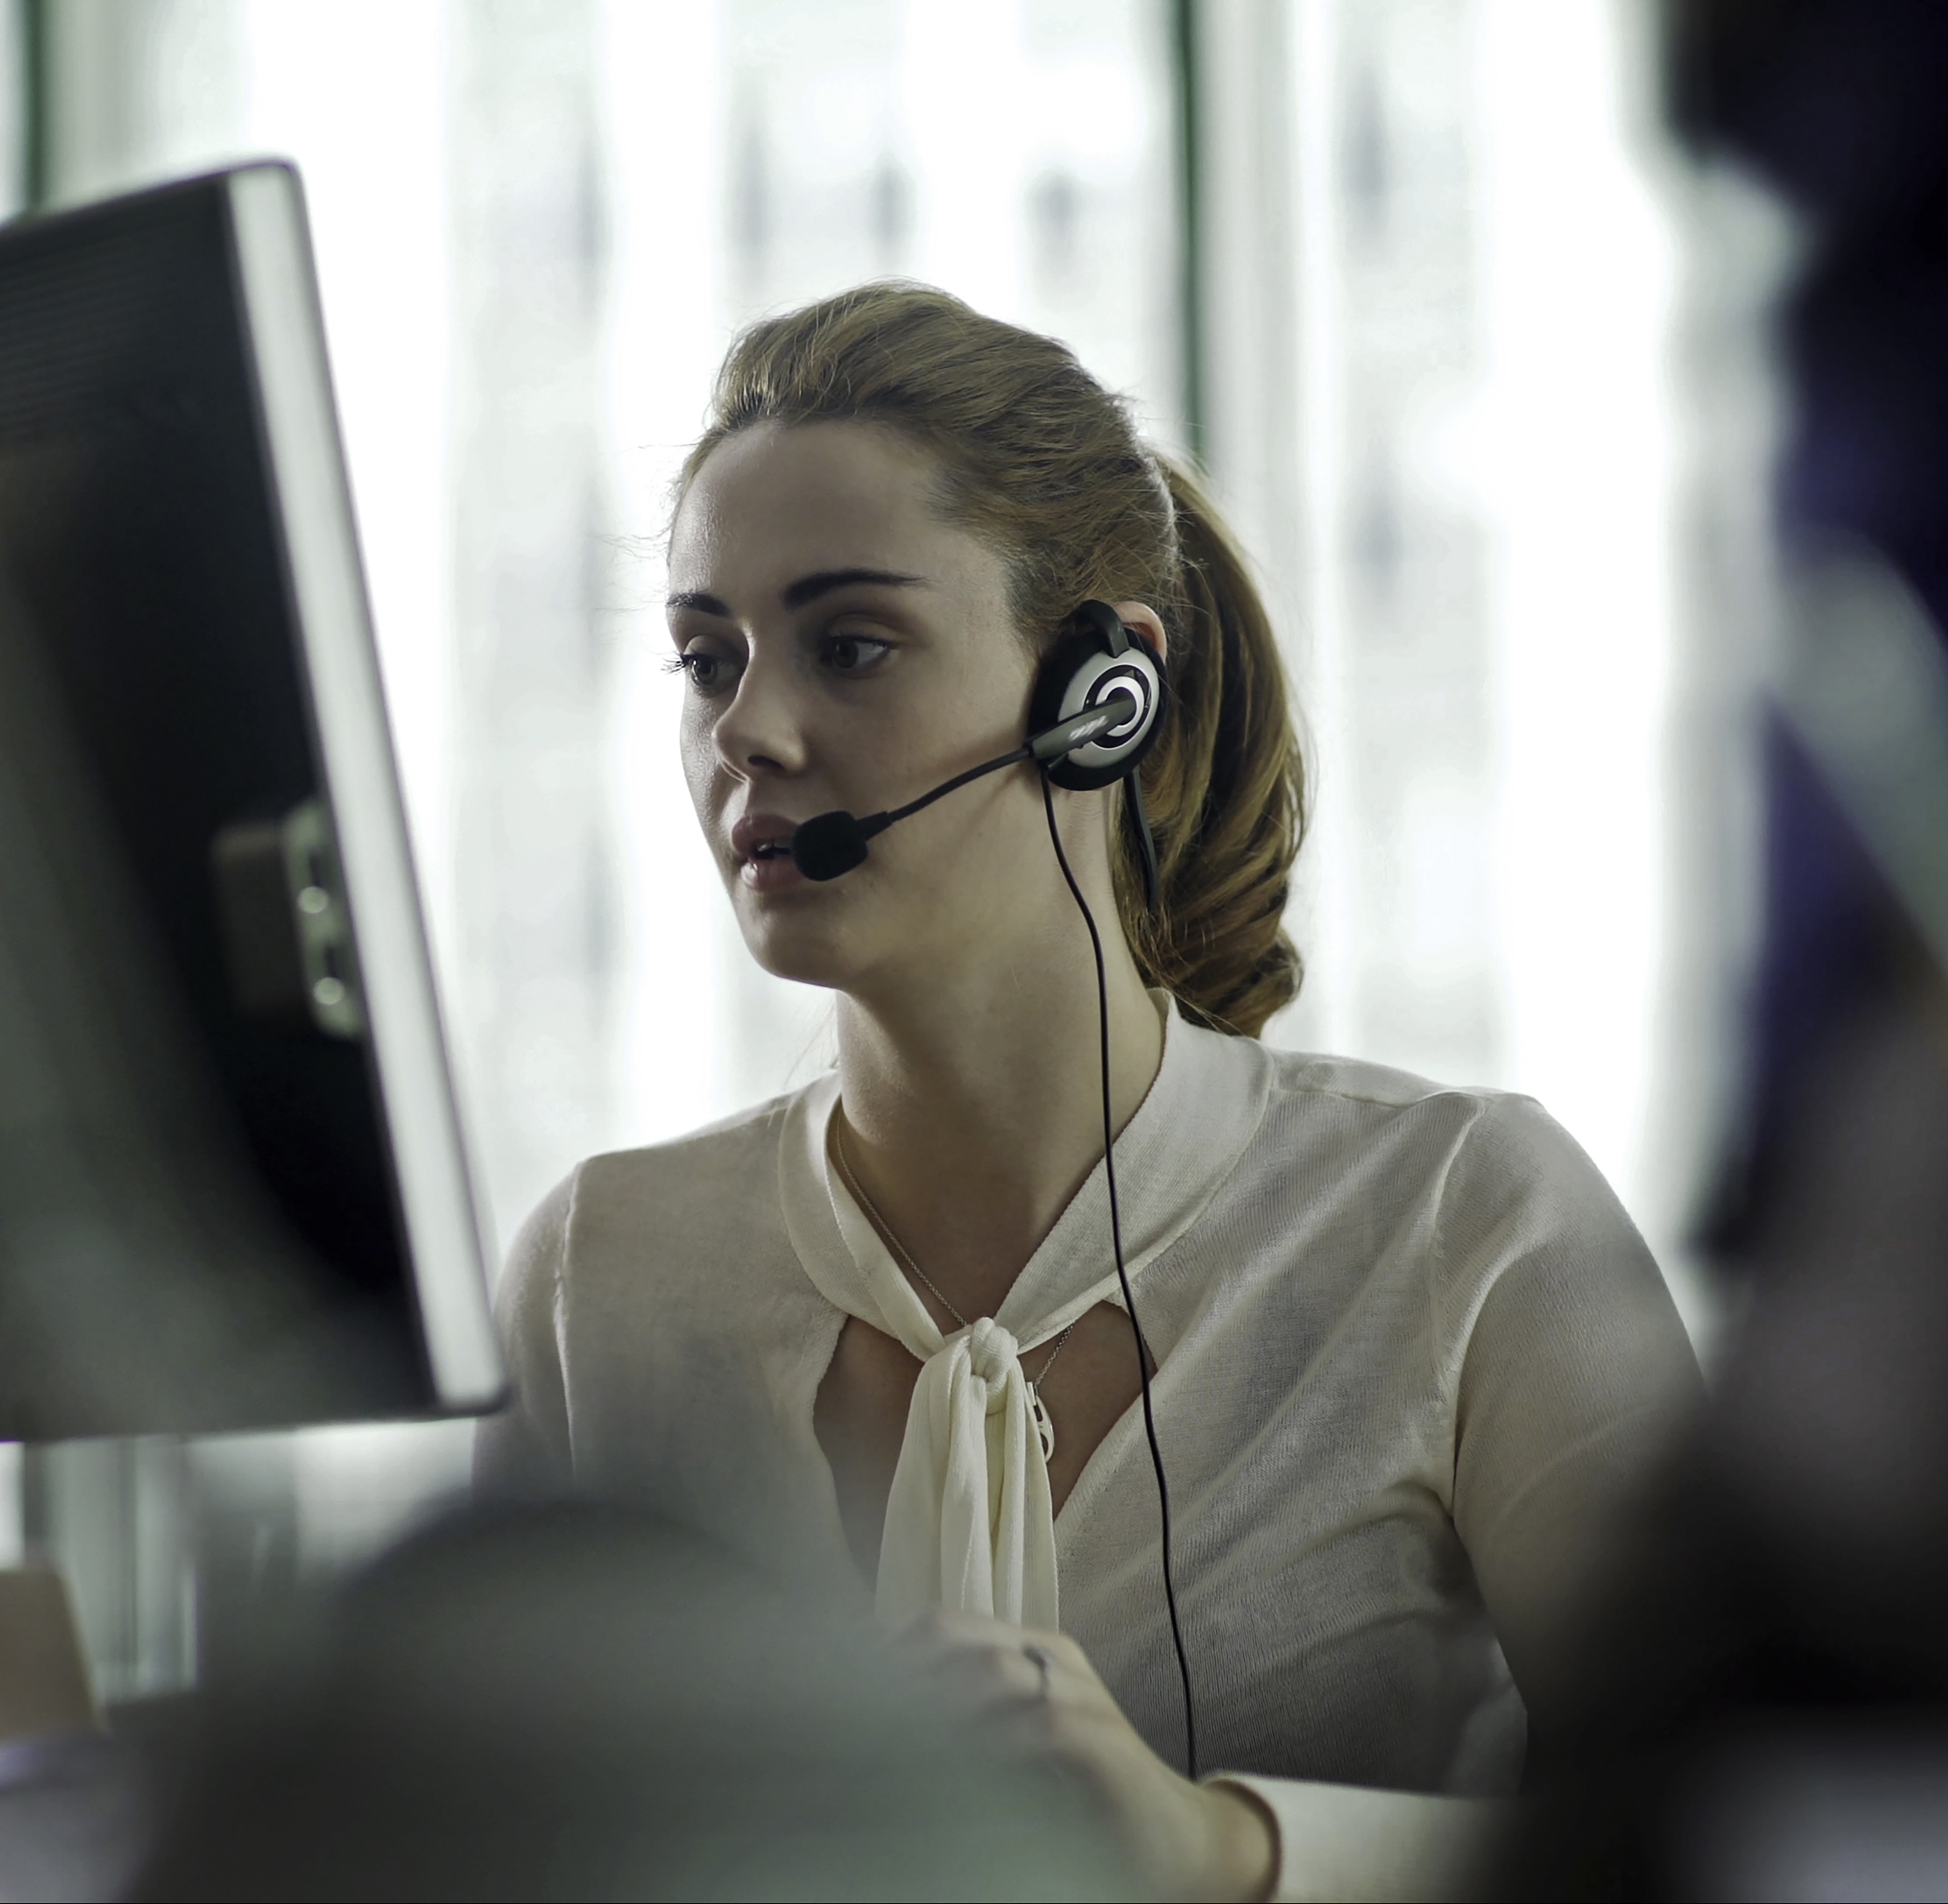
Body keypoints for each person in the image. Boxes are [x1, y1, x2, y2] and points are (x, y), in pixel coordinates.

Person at [475, 288, 1703, 1900]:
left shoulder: (1464, 1220)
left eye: (849, 645)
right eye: (706, 658)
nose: (747, 730)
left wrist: (1226, 1845)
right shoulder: (599, 1273)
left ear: (1094, 696)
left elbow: (1735, 1825)